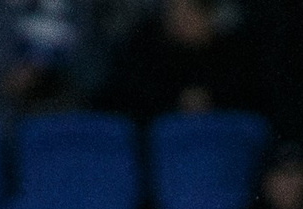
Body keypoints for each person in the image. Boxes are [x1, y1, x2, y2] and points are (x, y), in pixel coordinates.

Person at [98, 0, 258, 124]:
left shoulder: (231, 53)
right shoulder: (147, 48)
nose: (178, 19)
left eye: (189, 12)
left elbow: (248, 102)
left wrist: (209, 100)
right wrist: (175, 101)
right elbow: (126, 99)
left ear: (208, 15)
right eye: (173, 10)